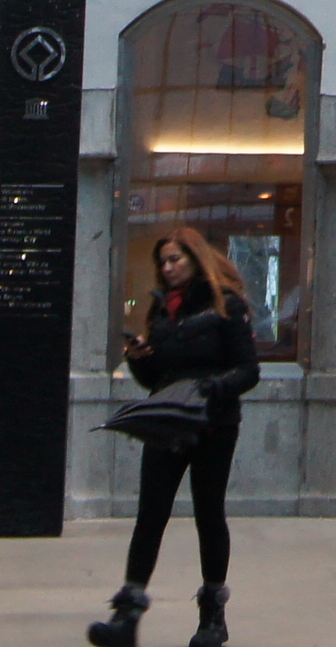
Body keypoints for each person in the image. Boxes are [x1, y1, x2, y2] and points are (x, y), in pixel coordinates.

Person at [92, 233, 260, 647]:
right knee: (150, 514)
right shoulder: (162, 311)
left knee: (209, 513)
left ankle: (212, 617)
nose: (167, 269)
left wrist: (211, 388)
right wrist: (140, 361)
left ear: (194, 259)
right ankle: (127, 615)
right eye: (162, 263)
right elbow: (157, 380)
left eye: (174, 260)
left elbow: (248, 371)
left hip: (212, 424)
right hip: (168, 422)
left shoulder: (226, 305)